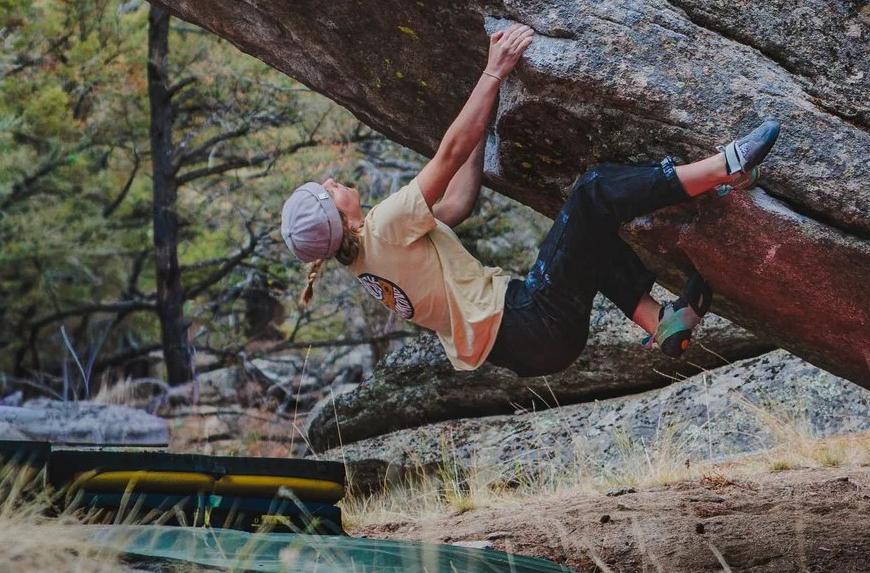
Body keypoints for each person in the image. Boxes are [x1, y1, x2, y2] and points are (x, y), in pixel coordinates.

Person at [279, 22, 780, 376]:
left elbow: (455, 206)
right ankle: (724, 167)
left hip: (528, 350)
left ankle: (660, 323)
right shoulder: (385, 223)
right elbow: (449, 153)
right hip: (529, 320)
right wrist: (493, 72)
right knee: (591, 193)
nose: (331, 183)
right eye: (326, 194)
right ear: (338, 222)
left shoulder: (365, 259)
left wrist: (484, 130)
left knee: (585, 239)